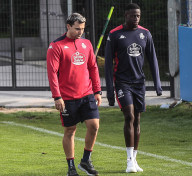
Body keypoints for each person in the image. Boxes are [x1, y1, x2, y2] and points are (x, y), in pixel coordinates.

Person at [105, 3, 162, 173]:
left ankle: (135, 160)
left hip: (139, 83)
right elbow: (108, 65)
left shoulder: (145, 34)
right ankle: (129, 161)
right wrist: (109, 91)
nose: (135, 19)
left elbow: (153, 59)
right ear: (125, 16)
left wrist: (158, 84)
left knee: (137, 119)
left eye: (138, 15)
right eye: (132, 16)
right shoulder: (115, 35)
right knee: (129, 115)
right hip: (122, 82)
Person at [47, 13, 102, 176]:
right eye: (77, 29)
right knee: (70, 130)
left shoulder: (86, 43)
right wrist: (57, 96)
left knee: (94, 126)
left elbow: (93, 67)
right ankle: (71, 166)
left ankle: (85, 161)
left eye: (83, 29)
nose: (80, 32)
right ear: (68, 26)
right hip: (67, 98)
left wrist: (97, 90)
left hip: (87, 94)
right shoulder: (56, 46)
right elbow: (52, 73)